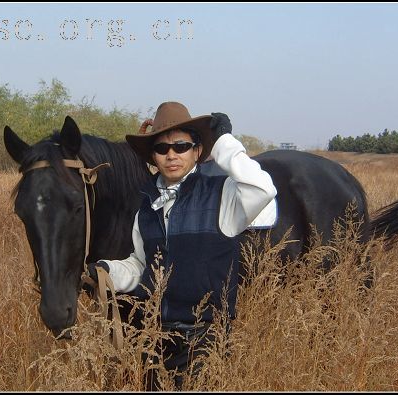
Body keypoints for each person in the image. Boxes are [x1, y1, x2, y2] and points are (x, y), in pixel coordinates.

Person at [87, 101, 277, 389]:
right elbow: (140, 267)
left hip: (204, 341)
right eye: (162, 149)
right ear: (153, 157)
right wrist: (105, 270)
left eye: (181, 146)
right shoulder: (146, 208)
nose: (172, 154)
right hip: (155, 340)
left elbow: (262, 188)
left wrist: (224, 141)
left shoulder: (222, 195)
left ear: (198, 150)